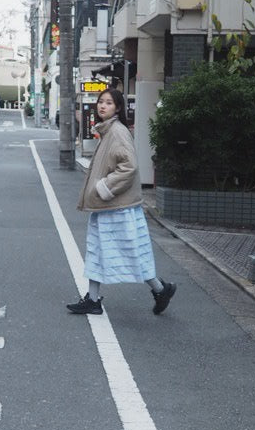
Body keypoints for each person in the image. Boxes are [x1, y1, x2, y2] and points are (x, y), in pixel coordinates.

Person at [67, 87, 176, 317]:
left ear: (117, 108)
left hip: (118, 207)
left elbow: (129, 167)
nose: (102, 106)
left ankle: (160, 289)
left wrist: (103, 187)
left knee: (130, 252)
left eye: (108, 102)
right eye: (101, 102)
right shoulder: (109, 130)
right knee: (97, 251)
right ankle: (93, 300)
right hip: (108, 207)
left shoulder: (117, 132)